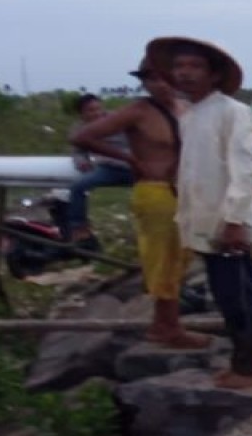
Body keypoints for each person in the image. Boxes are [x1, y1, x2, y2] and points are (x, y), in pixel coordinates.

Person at [146, 35, 252, 389]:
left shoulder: (233, 112)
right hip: (204, 219)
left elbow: (244, 169)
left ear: (214, 75)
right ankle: (246, 359)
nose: (185, 73)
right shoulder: (192, 115)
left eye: (195, 66)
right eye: (179, 66)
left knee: (239, 296)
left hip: (226, 221)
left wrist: (234, 219)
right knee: (229, 292)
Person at [70, 59, 211, 349]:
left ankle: (166, 325)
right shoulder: (138, 111)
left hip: (184, 190)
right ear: (144, 83)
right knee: (162, 260)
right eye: (151, 79)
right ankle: (167, 328)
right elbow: (83, 136)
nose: (159, 84)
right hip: (155, 191)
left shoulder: (185, 108)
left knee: (181, 258)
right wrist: (129, 159)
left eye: (163, 77)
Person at [66, 94, 134, 243]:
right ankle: (79, 227)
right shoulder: (80, 129)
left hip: (135, 165)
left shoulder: (118, 120)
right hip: (109, 168)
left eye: (98, 109)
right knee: (78, 187)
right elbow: (77, 151)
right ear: (82, 114)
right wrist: (82, 162)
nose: (97, 113)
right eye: (91, 110)